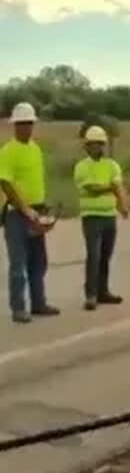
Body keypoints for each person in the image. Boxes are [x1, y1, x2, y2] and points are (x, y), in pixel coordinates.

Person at [0, 102, 58, 324]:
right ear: (15, 125)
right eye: (22, 123)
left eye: (29, 123)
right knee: (18, 264)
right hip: (17, 214)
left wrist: (43, 208)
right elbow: (5, 183)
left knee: (39, 261)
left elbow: (36, 181)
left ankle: (38, 303)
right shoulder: (7, 151)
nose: (26, 127)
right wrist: (24, 208)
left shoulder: (35, 149)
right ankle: (18, 308)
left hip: (37, 211)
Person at [74, 125, 130, 310]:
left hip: (109, 216)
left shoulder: (112, 165)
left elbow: (118, 186)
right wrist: (111, 188)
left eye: (99, 144)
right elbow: (91, 189)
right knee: (94, 255)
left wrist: (122, 204)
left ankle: (102, 291)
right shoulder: (82, 167)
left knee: (105, 255)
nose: (96, 147)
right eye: (92, 144)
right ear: (86, 146)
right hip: (91, 217)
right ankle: (90, 294)